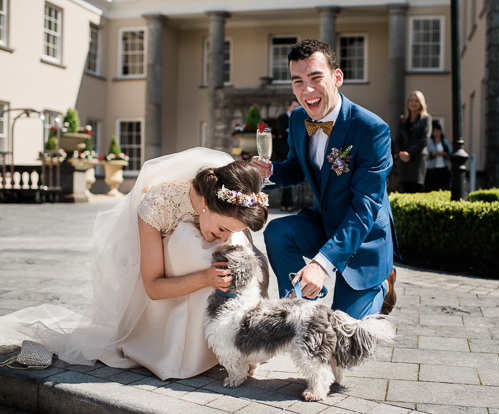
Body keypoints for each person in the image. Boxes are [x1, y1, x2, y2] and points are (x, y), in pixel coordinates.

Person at [0, 148, 270, 380]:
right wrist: (205, 278)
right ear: (206, 204)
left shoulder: (229, 210)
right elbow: (152, 287)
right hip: (162, 302)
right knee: (188, 246)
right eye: (222, 228)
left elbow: (255, 266)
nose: (224, 236)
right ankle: (183, 351)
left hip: (216, 303)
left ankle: (230, 344)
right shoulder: (156, 205)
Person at [251, 39, 400, 319]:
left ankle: (383, 279)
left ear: (337, 77)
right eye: (298, 81)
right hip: (324, 221)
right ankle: (299, 310)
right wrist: (269, 173)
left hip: (364, 237)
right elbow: (297, 167)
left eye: (315, 77)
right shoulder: (298, 119)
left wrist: (321, 264)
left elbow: (364, 208)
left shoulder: (372, 129)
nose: (306, 90)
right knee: (277, 232)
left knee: (342, 340)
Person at [396, 91, 432, 193]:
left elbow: (424, 139)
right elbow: (397, 139)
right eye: (411, 100)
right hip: (403, 160)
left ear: (421, 103)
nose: (413, 103)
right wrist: (400, 153)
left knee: (416, 188)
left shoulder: (426, 119)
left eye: (416, 101)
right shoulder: (403, 120)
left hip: (417, 159)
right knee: (404, 189)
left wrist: (409, 153)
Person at [276, 98, 300, 211]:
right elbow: (282, 132)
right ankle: (288, 204)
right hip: (282, 151)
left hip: (292, 151)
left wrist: (288, 131)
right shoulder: (282, 118)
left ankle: (285, 204)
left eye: (297, 107)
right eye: (294, 106)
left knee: (288, 177)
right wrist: (291, 132)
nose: (295, 109)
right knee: (285, 176)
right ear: (289, 106)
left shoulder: (297, 118)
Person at [425, 120, 452, 192]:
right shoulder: (430, 141)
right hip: (432, 167)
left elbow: (449, 153)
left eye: (438, 131)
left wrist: (443, 154)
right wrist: (435, 153)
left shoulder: (445, 141)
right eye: (434, 131)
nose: (436, 133)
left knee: (443, 186)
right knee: (432, 187)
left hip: (443, 166)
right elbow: (427, 153)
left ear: (440, 131)